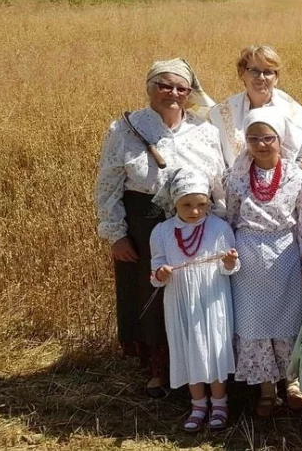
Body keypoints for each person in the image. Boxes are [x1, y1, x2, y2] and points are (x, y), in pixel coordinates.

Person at [94, 58, 225, 398]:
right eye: (164, 85)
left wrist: (223, 223)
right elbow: (108, 184)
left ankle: (199, 365)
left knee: (195, 292)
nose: (173, 93)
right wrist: (116, 232)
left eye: (181, 87)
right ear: (149, 86)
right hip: (143, 221)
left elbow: (219, 182)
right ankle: (157, 369)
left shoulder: (205, 131)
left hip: (198, 219)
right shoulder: (124, 129)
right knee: (147, 292)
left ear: (190, 92)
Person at [224, 108, 302, 417]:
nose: (262, 144)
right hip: (249, 259)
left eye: (268, 138)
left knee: (290, 320)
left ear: (281, 139)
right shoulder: (236, 177)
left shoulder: (299, 177)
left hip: (286, 257)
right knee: (254, 323)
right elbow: (232, 217)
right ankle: (266, 389)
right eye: (254, 138)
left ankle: (292, 383)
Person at [149, 168, 239, 432]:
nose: (195, 211)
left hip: (213, 300)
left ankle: (220, 403)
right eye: (187, 204)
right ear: (174, 201)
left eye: (201, 204)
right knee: (189, 347)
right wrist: (161, 273)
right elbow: (157, 268)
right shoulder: (162, 232)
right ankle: (198, 404)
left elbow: (230, 268)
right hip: (180, 301)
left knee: (214, 347)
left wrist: (230, 262)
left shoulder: (219, 228)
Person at [209, 45, 302, 166]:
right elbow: (216, 158)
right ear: (242, 74)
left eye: (268, 72)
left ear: (276, 78)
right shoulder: (223, 112)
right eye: (254, 71)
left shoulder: (295, 113)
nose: (261, 77)